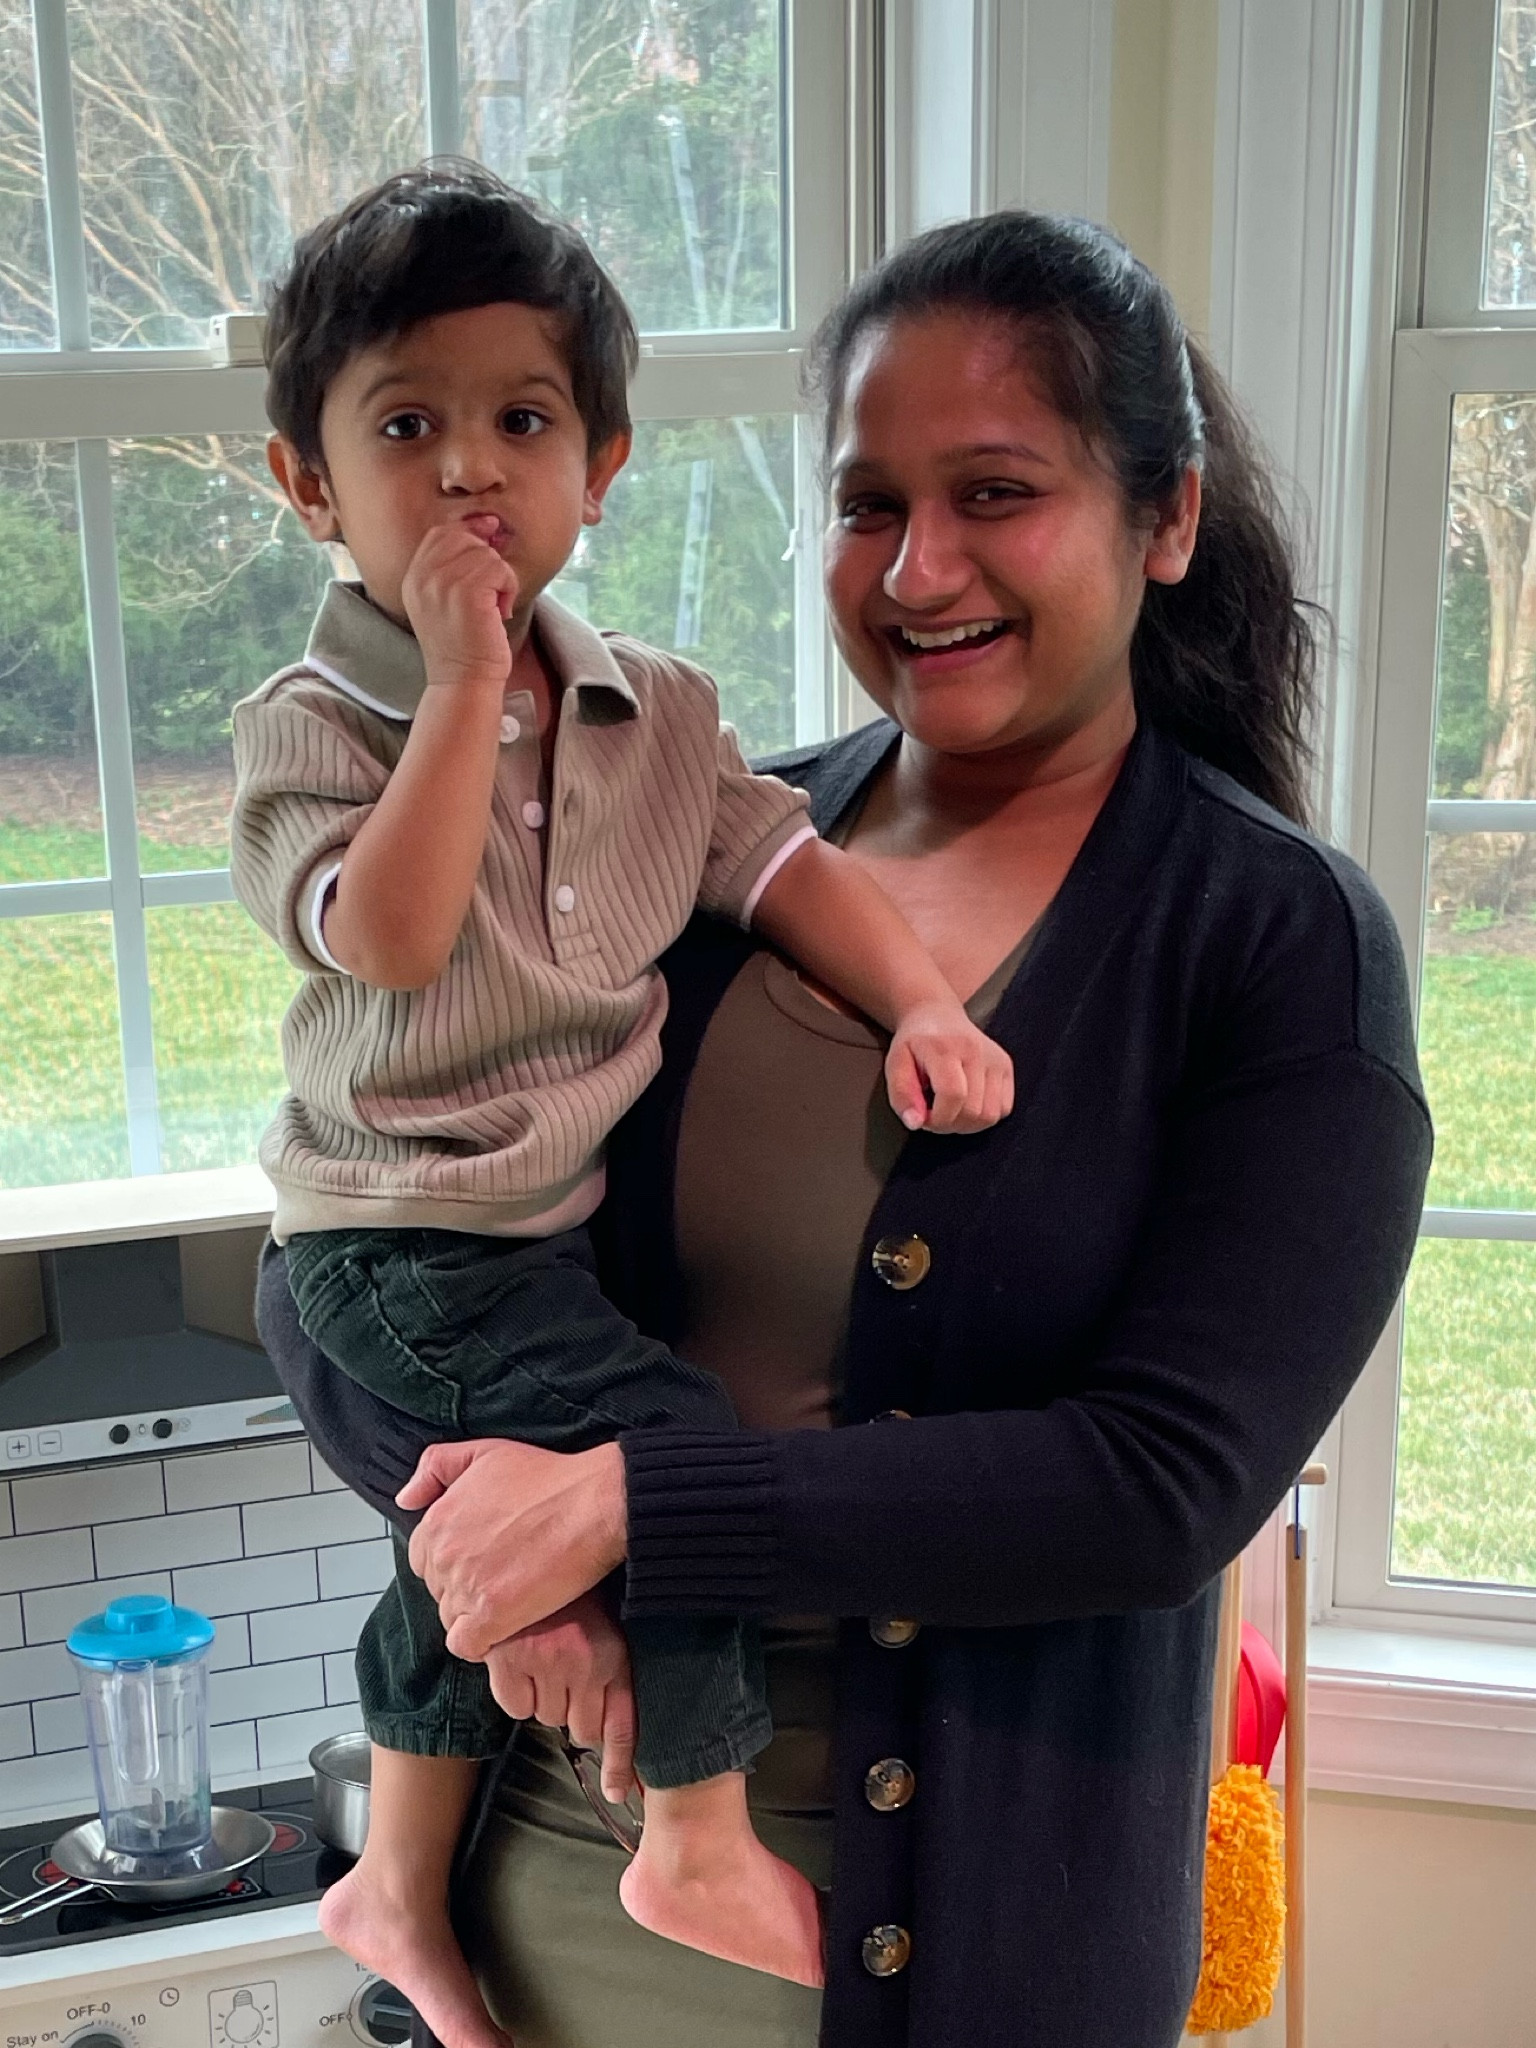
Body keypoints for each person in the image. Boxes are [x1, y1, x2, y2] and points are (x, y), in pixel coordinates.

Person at [257, 209, 1433, 2048]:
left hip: (935, 1949)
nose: (918, 566)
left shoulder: (1276, 946)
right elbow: (351, 1255)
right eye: (872, 501)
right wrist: (501, 1564)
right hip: (532, 1911)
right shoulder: (697, 834)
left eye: (996, 492)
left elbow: (1156, 1487)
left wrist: (639, 1507)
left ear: (1168, 518)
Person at [230, 165, 1017, 2048]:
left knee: (476, 1553)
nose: (472, 470)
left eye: (524, 422)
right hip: (393, 1241)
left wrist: (919, 997)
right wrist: (459, 684)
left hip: (531, 1255)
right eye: (406, 427)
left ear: (607, 466)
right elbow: (400, 938)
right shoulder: (310, 727)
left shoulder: (658, 710)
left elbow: (784, 861)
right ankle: (695, 1827)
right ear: (308, 485)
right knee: (668, 1450)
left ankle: (397, 1889)